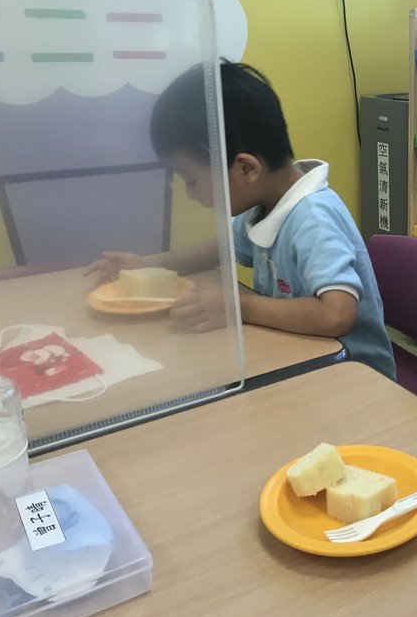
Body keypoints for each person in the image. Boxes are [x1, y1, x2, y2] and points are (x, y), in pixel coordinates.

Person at [87, 62, 396, 380]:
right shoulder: (263, 204)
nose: (190, 194)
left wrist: (239, 307)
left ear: (246, 169)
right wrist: (145, 266)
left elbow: (336, 315)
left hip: (354, 375)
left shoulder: (312, 218)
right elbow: (219, 248)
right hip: (301, 357)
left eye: (191, 180)